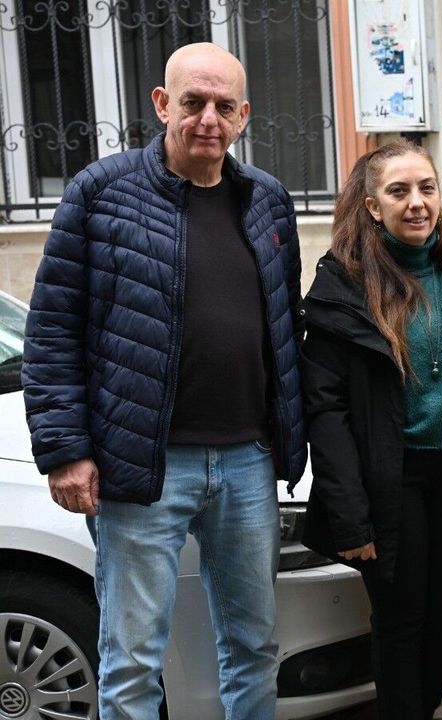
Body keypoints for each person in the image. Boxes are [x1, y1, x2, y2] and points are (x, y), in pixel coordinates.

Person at [21, 42, 305, 719]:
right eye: (193, 102)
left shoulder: (267, 201)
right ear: (161, 104)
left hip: (248, 461)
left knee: (254, 648)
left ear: (243, 115)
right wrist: (65, 451)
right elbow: (53, 328)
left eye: (224, 106)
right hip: (142, 465)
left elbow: (283, 325)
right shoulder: (100, 192)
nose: (208, 119)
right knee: (132, 660)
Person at [301, 140, 442, 718]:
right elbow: (325, 413)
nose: (416, 203)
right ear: (373, 206)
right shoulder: (343, 290)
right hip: (389, 482)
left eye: (426, 188)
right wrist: (351, 517)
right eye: (398, 191)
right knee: (402, 622)